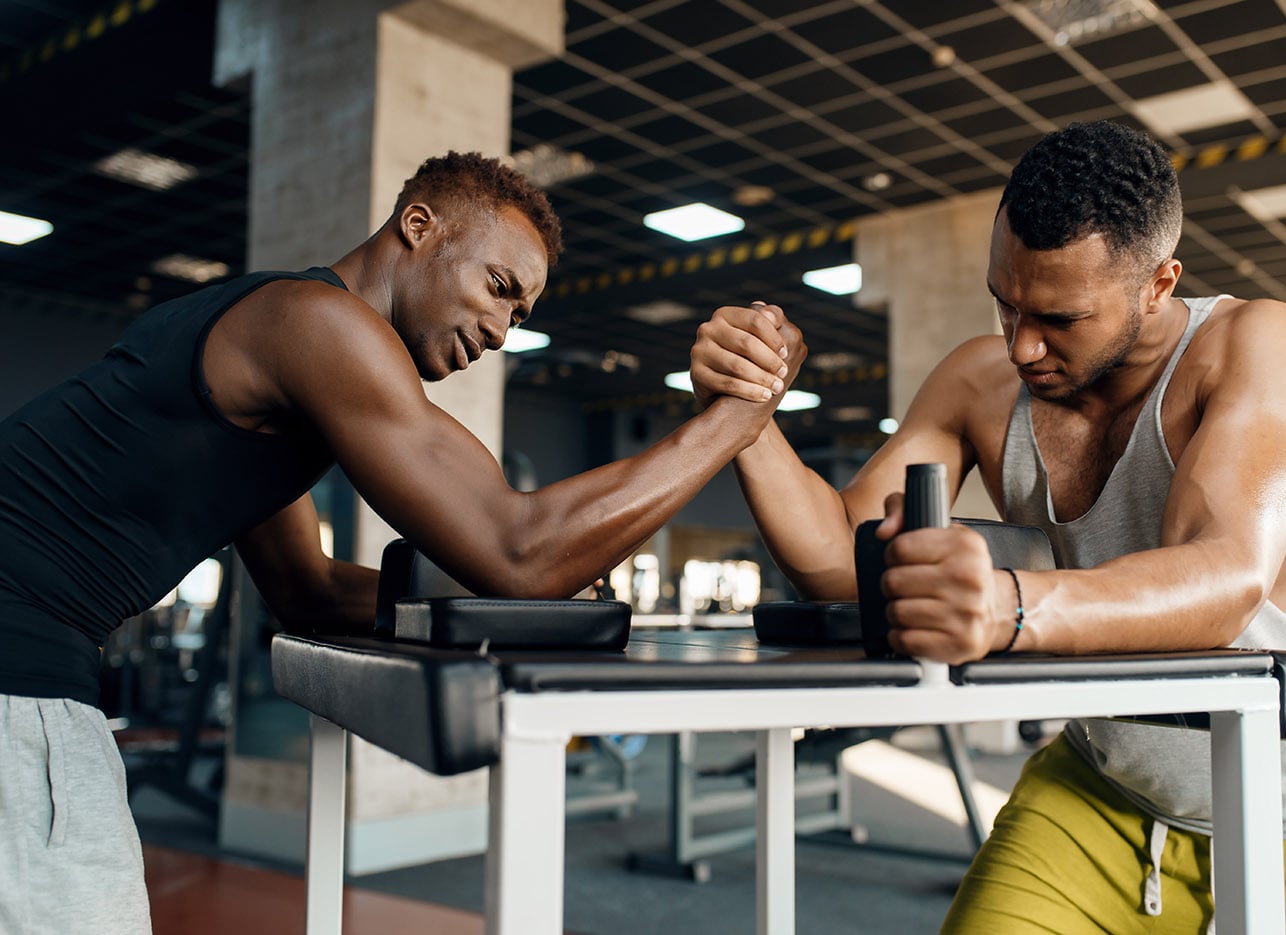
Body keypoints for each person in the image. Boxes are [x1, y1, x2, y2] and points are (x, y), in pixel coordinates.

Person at [0, 150, 805, 935]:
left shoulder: (281, 366)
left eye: (520, 316)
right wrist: (740, 414)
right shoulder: (317, 324)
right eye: (498, 288)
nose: (500, 328)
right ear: (418, 225)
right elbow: (519, 549)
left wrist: (502, 605)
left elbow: (305, 589)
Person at [689, 121, 1286, 932]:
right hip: (1107, 797)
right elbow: (840, 558)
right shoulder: (979, 384)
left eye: (1060, 318)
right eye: (1005, 301)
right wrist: (743, 410)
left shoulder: (1261, 348)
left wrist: (1008, 608)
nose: (1023, 344)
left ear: (1160, 284)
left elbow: (1224, 578)